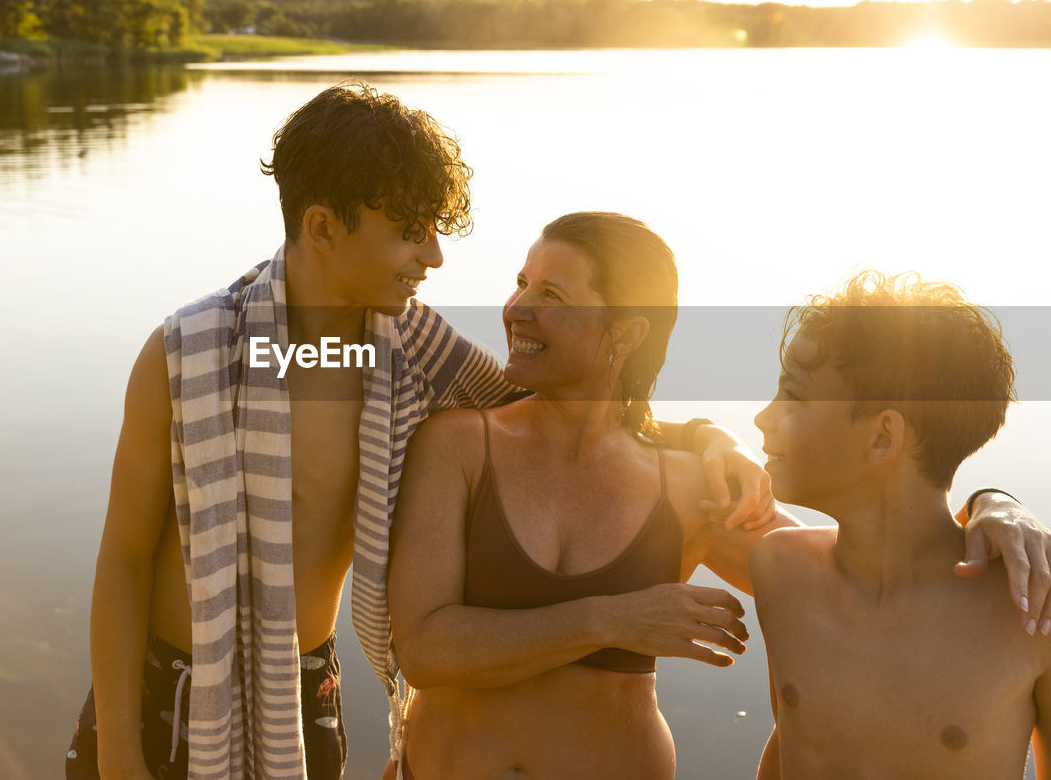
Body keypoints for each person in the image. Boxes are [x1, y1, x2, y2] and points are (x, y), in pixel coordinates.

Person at [64, 85, 781, 780]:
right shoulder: (189, 354)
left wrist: (709, 439)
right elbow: (123, 561)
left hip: (303, 689)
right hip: (170, 684)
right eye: (410, 232)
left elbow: (577, 413)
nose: (434, 256)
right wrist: (119, 750)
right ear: (322, 227)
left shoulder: (413, 354)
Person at [386, 214, 1049, 780]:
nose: (517, 306)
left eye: (551, 291)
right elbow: (424, 648)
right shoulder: (458, 444)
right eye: (520, 282)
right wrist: (613, 619)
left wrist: (994, 506)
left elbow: (878, 552)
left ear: (626, 332)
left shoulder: (697, 488)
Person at [751, 272, 1051, 779]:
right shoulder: (779, 571)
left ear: (882, 437)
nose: (762, 417)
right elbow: (793, 744)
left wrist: (998, 500)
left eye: (793, 396)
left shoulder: (1028, 611)